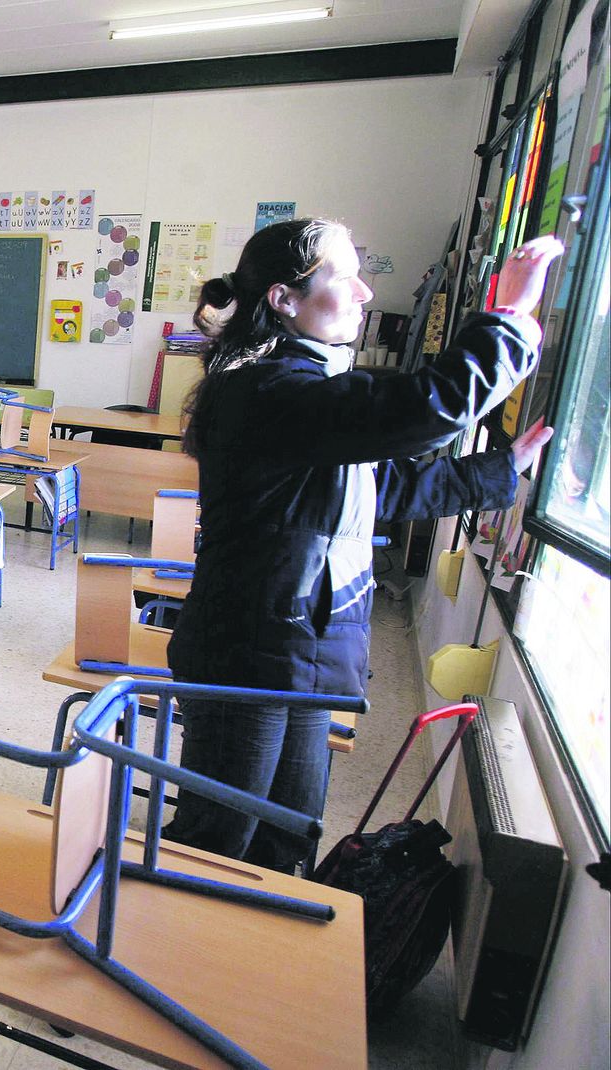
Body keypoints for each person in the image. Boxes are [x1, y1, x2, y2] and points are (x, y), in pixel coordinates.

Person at [161, 219, 561, 873]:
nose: (365, 293)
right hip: (250, 652)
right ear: (283, 300)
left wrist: (501, 468)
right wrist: (509, 321)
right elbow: (422, 408)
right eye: (345, 277)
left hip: (298, 649)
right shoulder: (267, 388)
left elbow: (384, 490)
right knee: (218, 840)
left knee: (288, 837)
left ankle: (261, 933)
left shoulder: (302, 388)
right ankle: (167, 933)